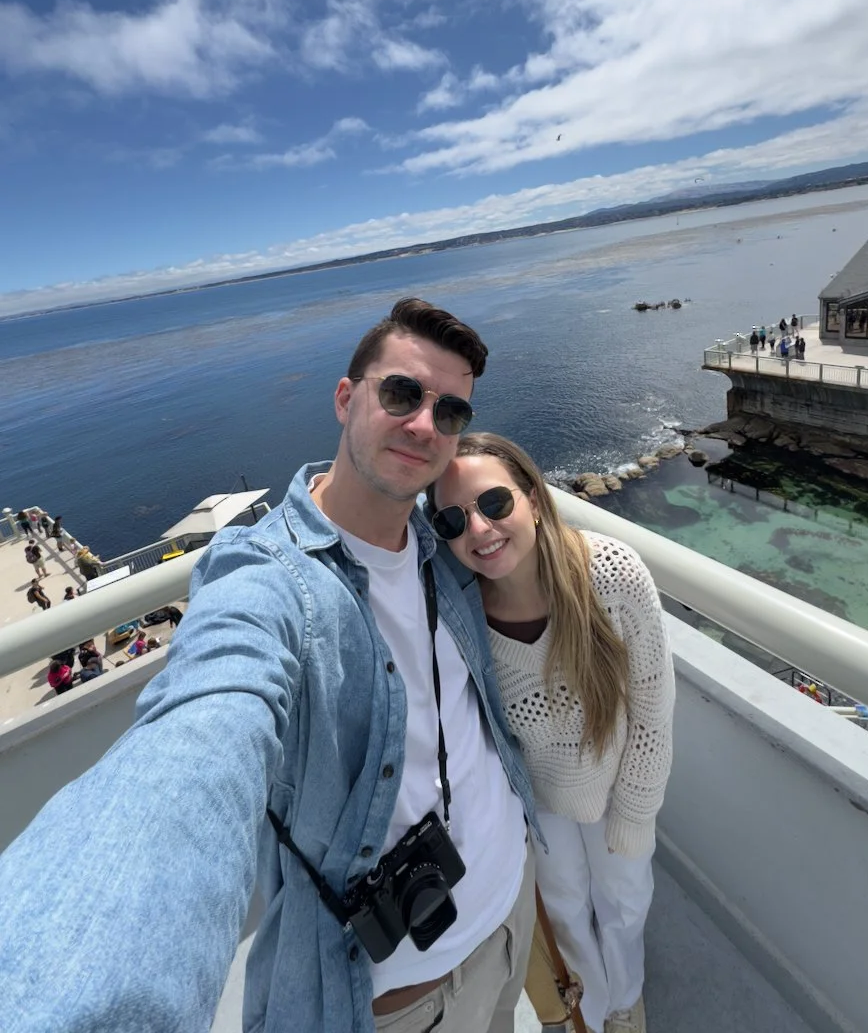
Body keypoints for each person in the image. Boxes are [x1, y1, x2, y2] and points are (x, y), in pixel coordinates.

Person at [0, 298, 540, 1033]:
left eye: (449, 413)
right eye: (402, 393)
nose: (424, 424)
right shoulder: (267, 581)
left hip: (511, 920)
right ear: (346, 399)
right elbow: (196, 742)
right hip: (405, 1003)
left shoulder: (443, 540)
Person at [429, 434, 674, 1033]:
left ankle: (626, 1004)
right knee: (564, 909)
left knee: (624, 904)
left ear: (534, 498)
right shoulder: (461, 617)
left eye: (494, 504)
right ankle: (586, 1011)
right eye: (454, 519)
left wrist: (636, 813)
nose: (479, 530)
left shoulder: (610, 575)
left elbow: (653, 705)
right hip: (537, 806)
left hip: (618, 788)